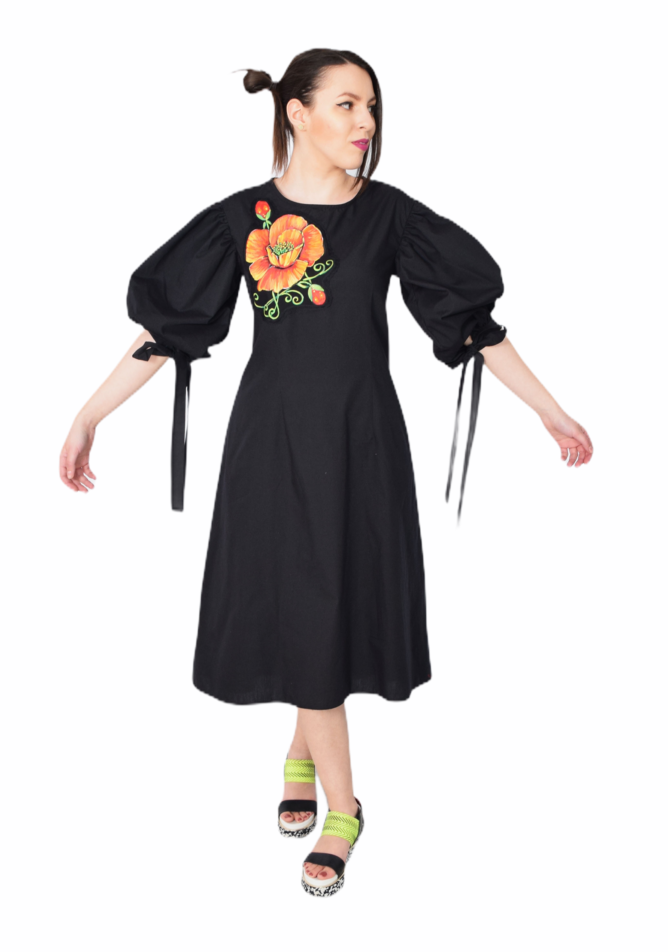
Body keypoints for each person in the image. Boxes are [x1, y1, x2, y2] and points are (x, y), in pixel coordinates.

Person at [60, 48, 594, 898]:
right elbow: (168, 330)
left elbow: (474, 325)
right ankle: (346, 805)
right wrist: (89, 415)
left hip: (359, 440)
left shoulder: (390, 217)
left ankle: (311, 771)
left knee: (328, 608)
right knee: (304, 608)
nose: (365, 123)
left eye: (371, 106)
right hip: (271, 442)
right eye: (347, 104)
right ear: (297, 113)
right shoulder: (241, 219)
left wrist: (550, 411)